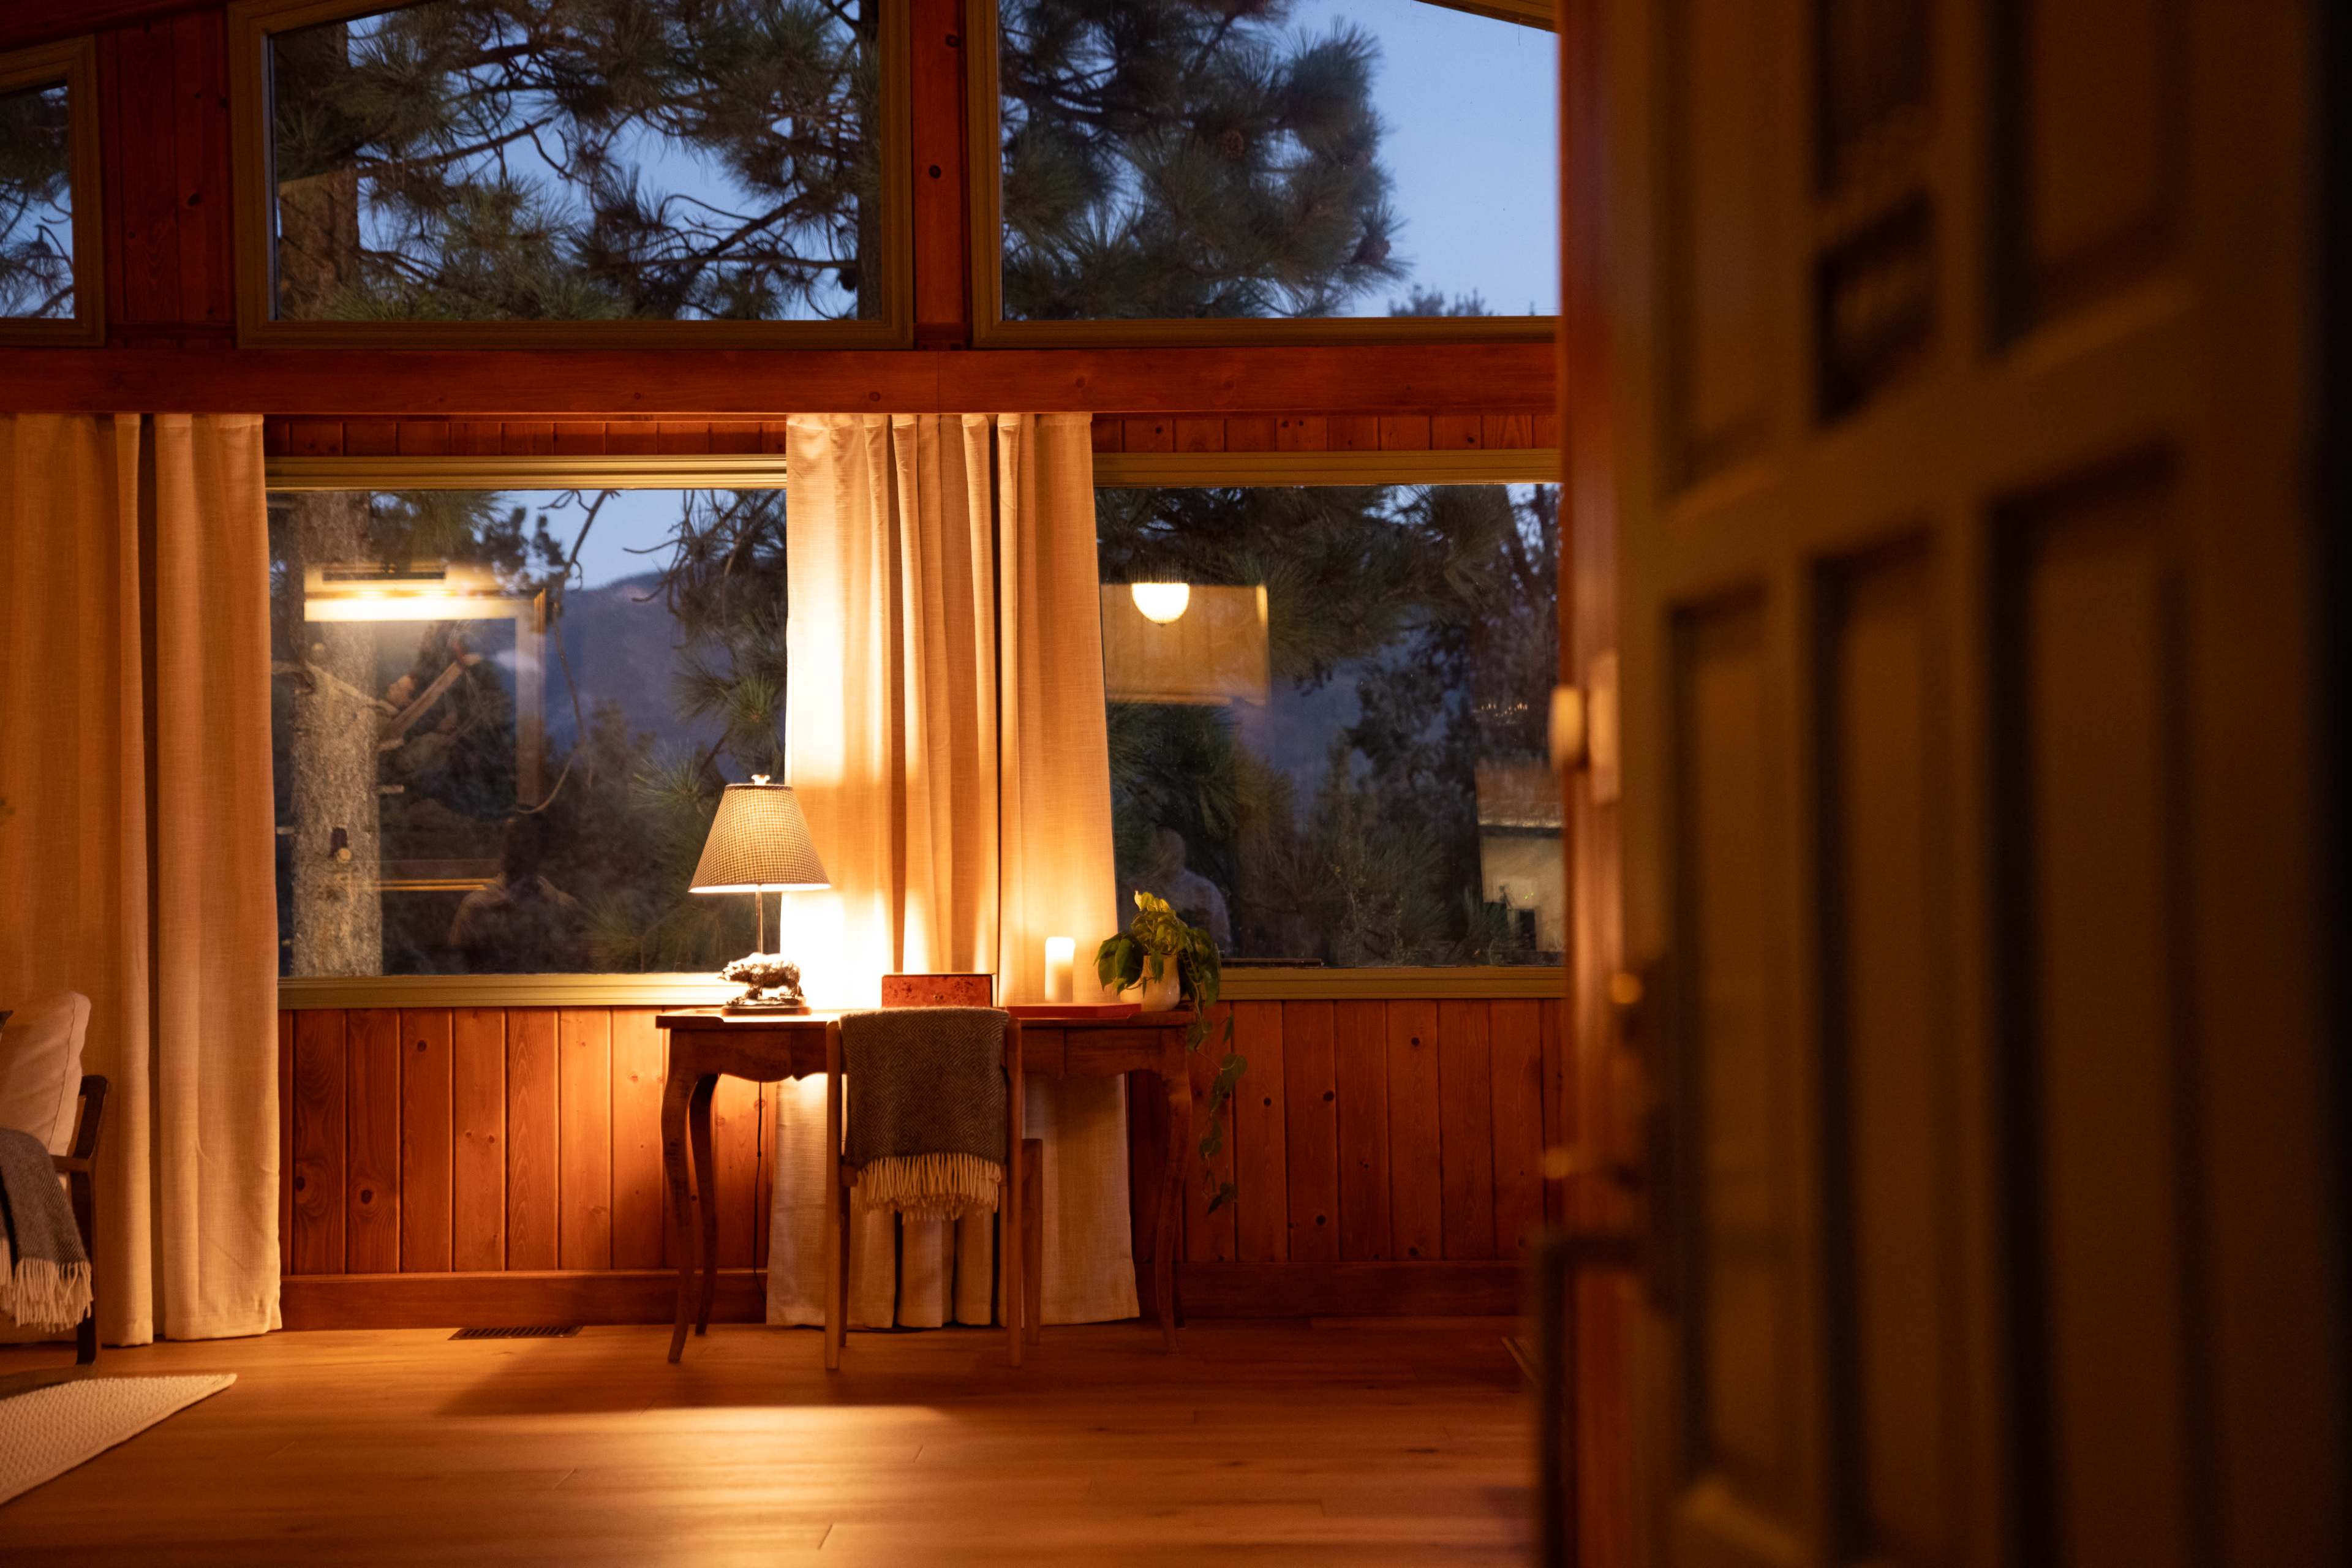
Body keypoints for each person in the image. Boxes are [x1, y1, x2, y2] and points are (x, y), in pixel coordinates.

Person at [447, 812, 587, 971]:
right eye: (512, 842)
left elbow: (578, 971)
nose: (517, 851)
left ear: (541, 852)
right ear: (502, 847)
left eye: (526, 843)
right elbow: (457, 974)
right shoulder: (476, 909)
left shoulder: (565, 909)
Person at [1121, 827, 1232, 951]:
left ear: (1183, 853)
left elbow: (1221, 941)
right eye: (1163, 852)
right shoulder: (1135, 888)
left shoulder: (1204, 890)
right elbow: (1127, 933)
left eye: (1173, 853)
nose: (1168, 858)